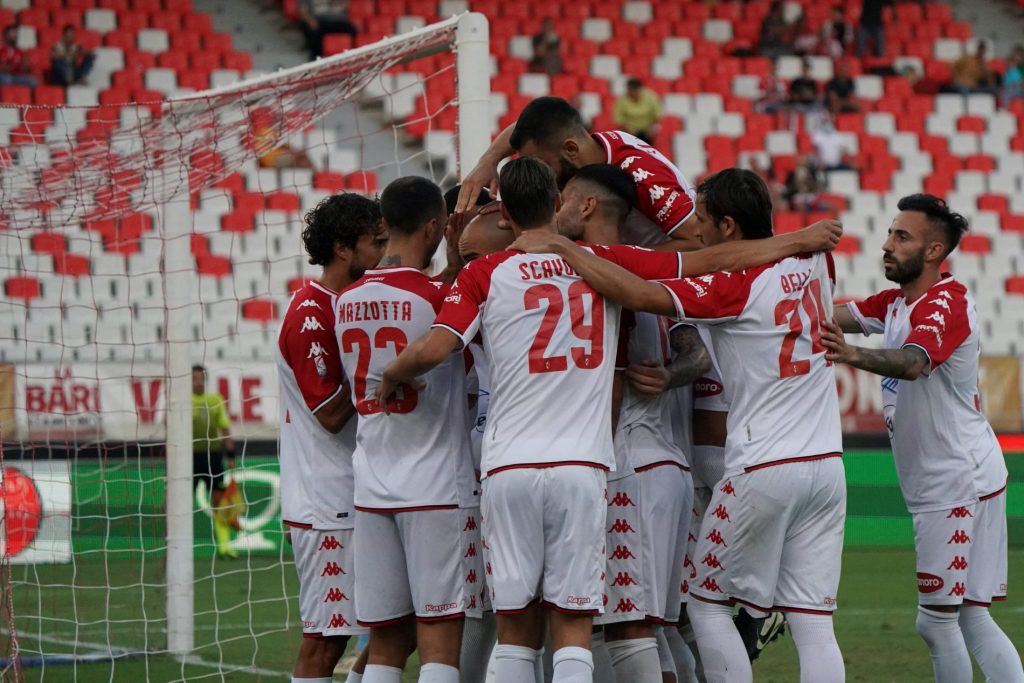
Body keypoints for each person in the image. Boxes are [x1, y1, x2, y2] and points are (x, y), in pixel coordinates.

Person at [508, 168, 847, 683]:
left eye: (703, 220)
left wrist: (562, 247)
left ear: (728, 226)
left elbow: (641, 295)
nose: (696, 231)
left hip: (763, 465)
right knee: (813, 620)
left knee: (707, 604)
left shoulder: (733, 287)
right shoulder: (818, 260)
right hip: (828, 464)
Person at [821, 194, 1024, 683]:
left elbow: (914, 363)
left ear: (933, 251)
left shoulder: (945, 303)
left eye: (901, 237)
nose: (886, 244)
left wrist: (852, 355)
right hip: (965, 474)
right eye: (890, 233)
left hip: (953, 480)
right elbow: (830, 314)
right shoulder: (896, 303)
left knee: (936, 622)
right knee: (971, 617)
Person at [556, 164, 701, 683]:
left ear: (587, 205)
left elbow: (616, 379)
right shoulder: (651, 269)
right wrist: (670, 375)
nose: (557, 210)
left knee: (627, 629)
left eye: (564, 199)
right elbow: (697, 353)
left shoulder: (593, 272)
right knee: (656, 628)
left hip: (626, 467)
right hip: (666, 465)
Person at [337, 176, 476, 683]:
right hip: (435, 486)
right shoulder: (442, 296)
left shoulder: (345, 299)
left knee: (387, 643)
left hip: (373, 484)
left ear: (384, 223)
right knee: (439, 640)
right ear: (435, 228)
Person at [277, 193, 386, 683]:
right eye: (375, 243)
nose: (383, 253)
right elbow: (330, 415)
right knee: (325, 641)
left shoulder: (351, 305)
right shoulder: (311, 313)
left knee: (396, 625)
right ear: (343, 248)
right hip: (327, 502)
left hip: (360, 491)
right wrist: (388, 373)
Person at [455, 96, 699, 251]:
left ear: (570, 149)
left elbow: (698, 241)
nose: (541, 174)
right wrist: (489, 160)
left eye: (544, 163)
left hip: (656, 293)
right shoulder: (581, 149)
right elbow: (524, 128)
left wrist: (615, 260)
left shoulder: (641, 176)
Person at [191, 364, 237, 558]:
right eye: (194, 378)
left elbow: (225, 429)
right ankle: (178, 547)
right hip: (188, 458)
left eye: (201, 378)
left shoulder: (214, 400)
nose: (198, 382)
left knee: (218, 502)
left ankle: (224, 546)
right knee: (180, 503)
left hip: (212, 455)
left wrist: (231, 456)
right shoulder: (182, 401)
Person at [613, 78, 662, 145]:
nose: (632, 93)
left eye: (635, 90)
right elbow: (619, 119)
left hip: (648, 132)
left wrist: (651, 129)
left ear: (640, 89)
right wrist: (627, 131)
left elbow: (657, 115)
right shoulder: (621, 101)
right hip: (630, 133)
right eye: (630, 90)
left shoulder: (651, 97)